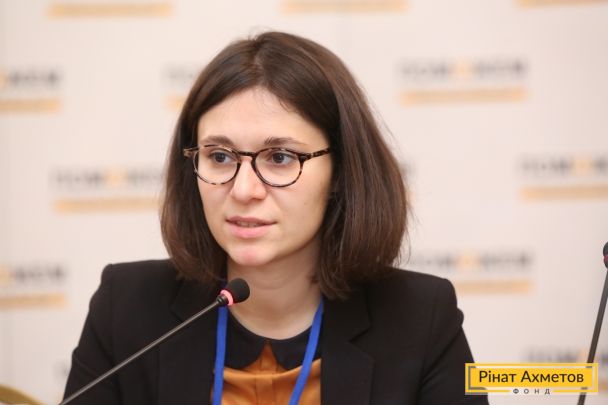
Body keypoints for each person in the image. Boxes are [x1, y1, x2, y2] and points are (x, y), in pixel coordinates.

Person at [64, 31, 488, 405]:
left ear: (340, 173)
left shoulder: (422, 317)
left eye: (280, 157)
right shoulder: (125, 307)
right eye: (220, 156)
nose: (244, 190)